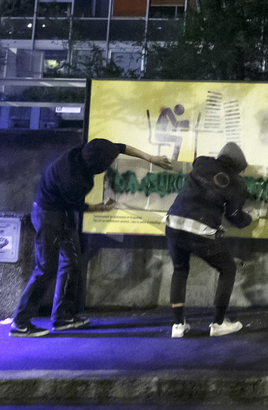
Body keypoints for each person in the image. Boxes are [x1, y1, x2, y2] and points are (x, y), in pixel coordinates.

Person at [10, 138, 173, 337]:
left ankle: (62, 317)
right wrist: (103, 207)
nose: (112, 164)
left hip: (61, 211)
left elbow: (122, 147)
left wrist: (150, 158)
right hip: (48, 216)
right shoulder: (73, 178)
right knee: (45, 268)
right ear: (98, 166)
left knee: (71, 261)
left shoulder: (84, 152)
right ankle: (20, 322)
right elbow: (80, 206)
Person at [164, 141, 252, 337]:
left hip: (174, 224)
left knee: (180, 270)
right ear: (238, 166)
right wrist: (250, 218)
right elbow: (234, 216)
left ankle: (177, 326)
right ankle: (218, 323)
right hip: (200, 231)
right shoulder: (237, 183)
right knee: (228, 268)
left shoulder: (201, 162)